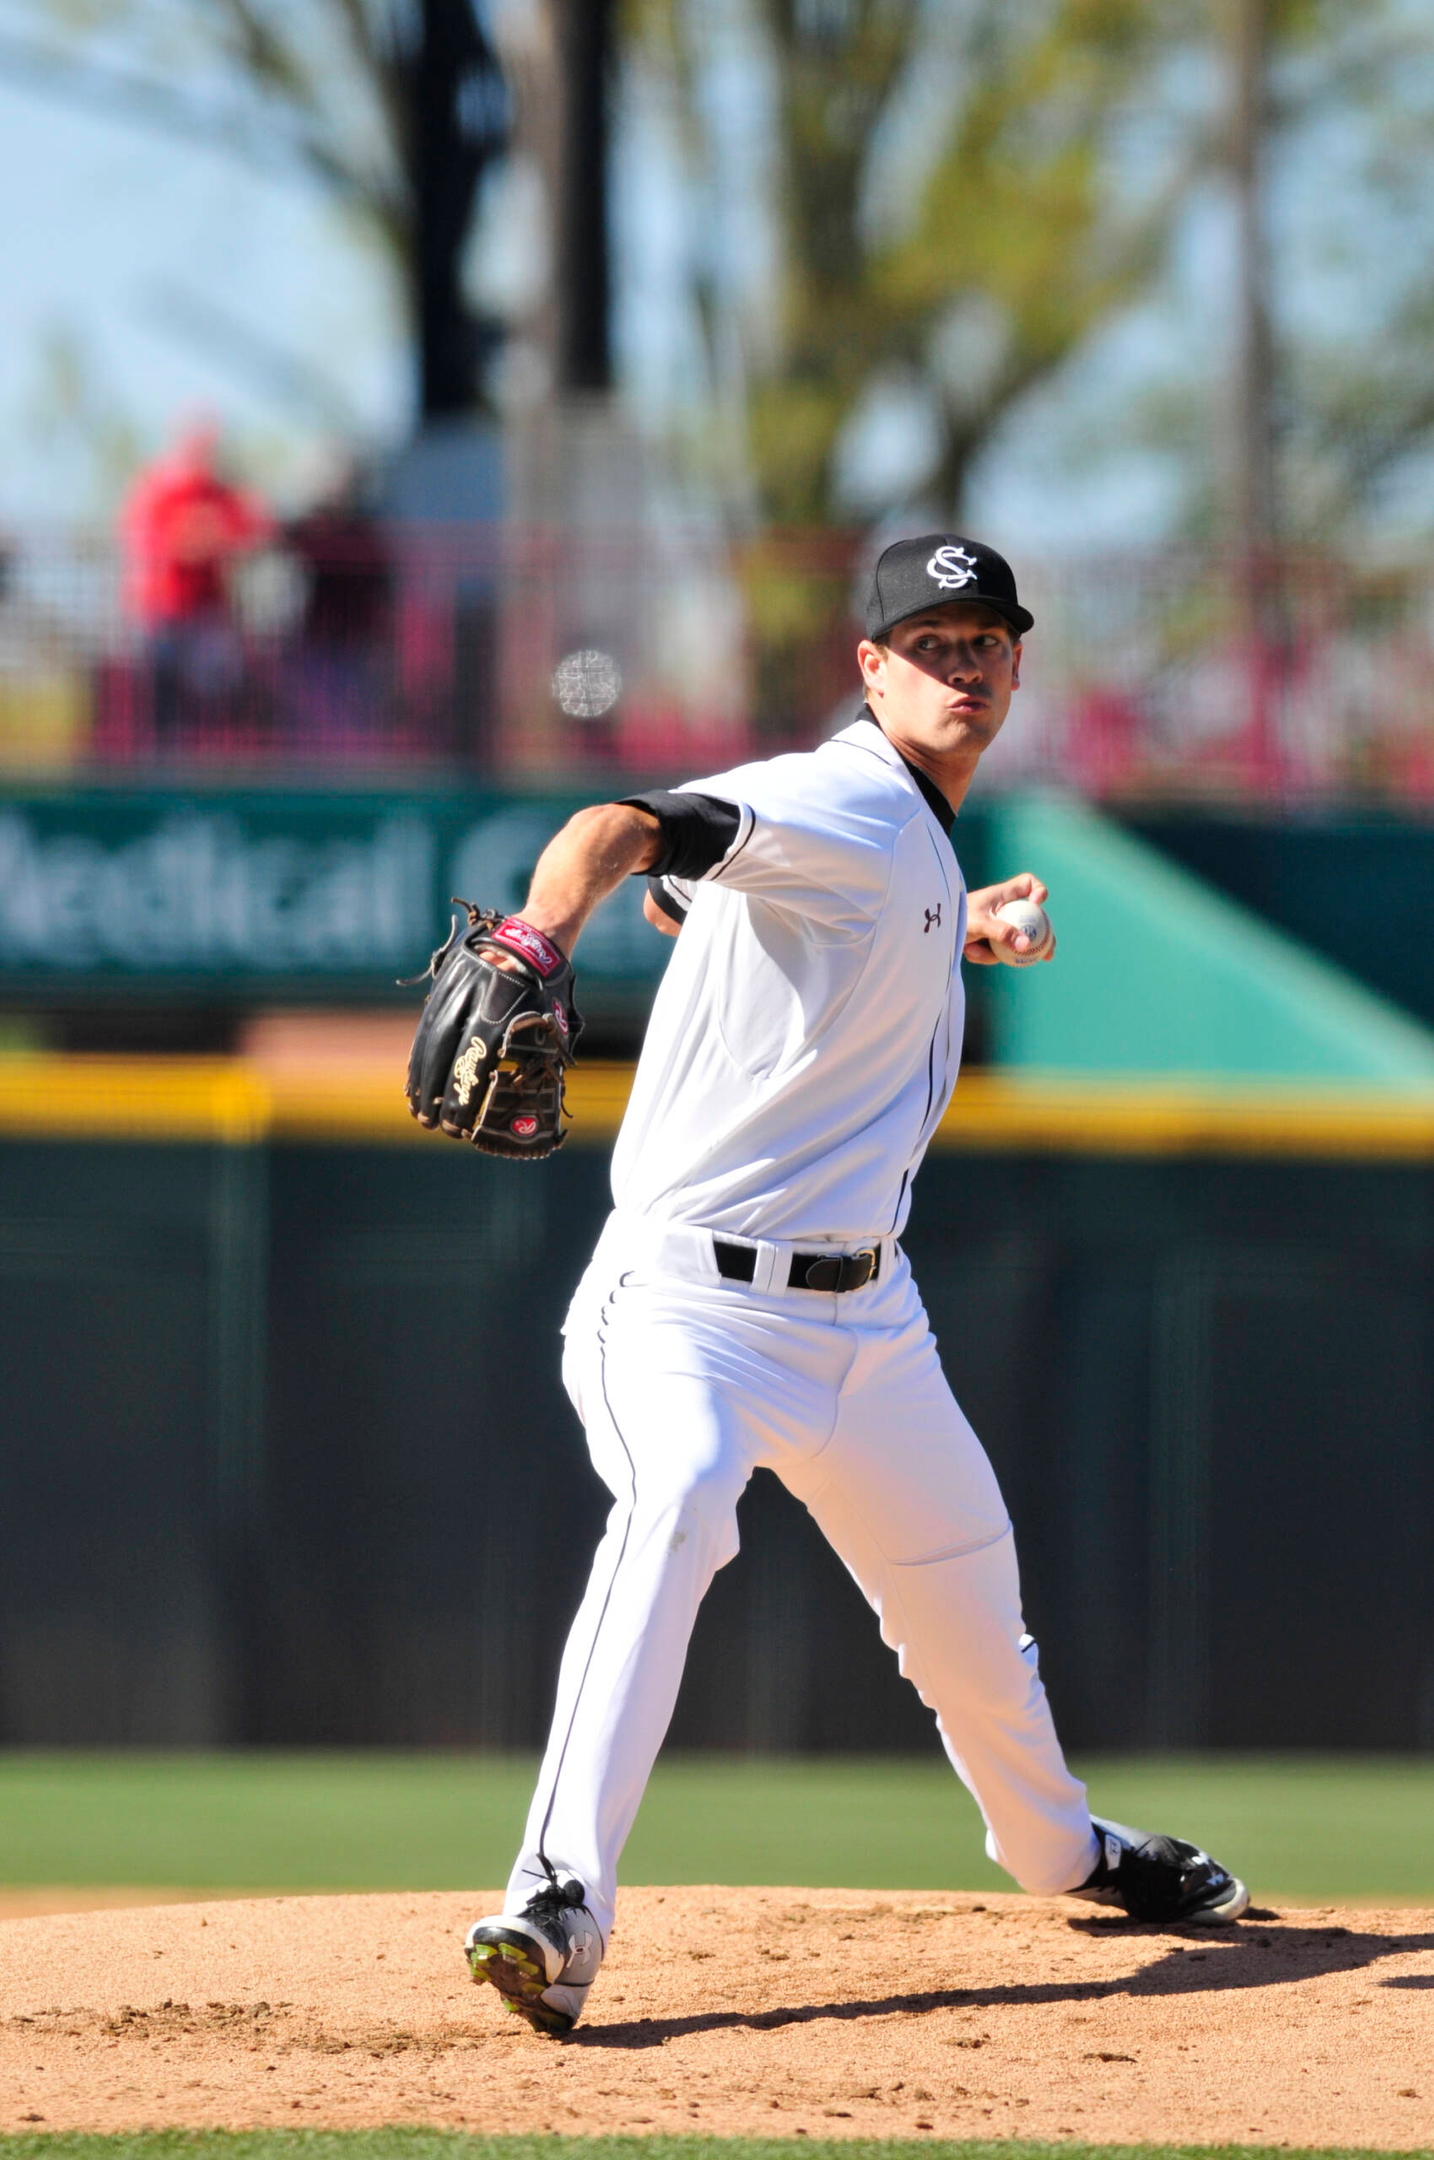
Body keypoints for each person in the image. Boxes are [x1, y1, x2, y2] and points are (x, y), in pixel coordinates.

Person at [463, 534, 1249, 2036]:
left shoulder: (902, 837)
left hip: (869, 1329)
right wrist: (528, 940)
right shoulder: (837, 792)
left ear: (1014, 667)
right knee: (679, 1500)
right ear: (871, 668)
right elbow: (622, 826)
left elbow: (774, 911)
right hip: (689, 1305)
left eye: (985, 643)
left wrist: (973, 929)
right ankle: (557, 1899)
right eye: (929, 644)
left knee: (972, 1621)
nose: (962, 666)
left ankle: (1063, 1851)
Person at [118, 420, 270, 750]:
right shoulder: (160, 488)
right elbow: (156, 541)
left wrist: (211, 535)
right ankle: (161, 766)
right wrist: (202, 537)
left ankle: (213, 757)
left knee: (220, 692)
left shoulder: (222, 491)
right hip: (164, 613)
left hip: (208, 616)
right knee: (162, 698)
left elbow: (254, 529)